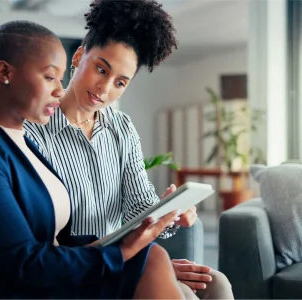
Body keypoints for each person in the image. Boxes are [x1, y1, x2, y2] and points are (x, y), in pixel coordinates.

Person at [0, 20, 185, 299]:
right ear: (5, 72)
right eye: (49, 77)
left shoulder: (19, 140)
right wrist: (122, 252)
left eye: (58, 79)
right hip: (12, 289)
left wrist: (137, 243)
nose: (59, 89)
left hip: (51, 273)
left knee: (156, 259)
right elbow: (26, 262)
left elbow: (54, 237)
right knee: (153, 261)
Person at [24, 0, 234, 299]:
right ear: (79, 56)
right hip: (74, 264)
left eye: (120, 82)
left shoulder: (121, 128)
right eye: (100, 69)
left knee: (216, 284)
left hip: (124, 258)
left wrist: (170, 212)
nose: (104, 89)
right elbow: (34, 236)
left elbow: (139, 208)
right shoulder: (33, 130)